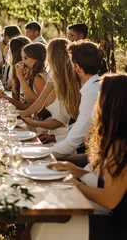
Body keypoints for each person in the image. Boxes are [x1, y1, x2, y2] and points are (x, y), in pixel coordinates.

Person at [30, 74, 127, 240]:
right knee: (41, 219)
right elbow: (106, 178)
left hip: (114, 225)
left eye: (100, 96)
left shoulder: (120, 146)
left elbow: (110, 199)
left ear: (112, 103)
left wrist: (75, 184)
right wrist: (76, 171)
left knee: (46, 225)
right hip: (99, 210)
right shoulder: (115, 136)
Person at [49, 40, 103, 158]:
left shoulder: (91, 94)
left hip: (100, 161)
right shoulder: (95, 86)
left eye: (70, 63)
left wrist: (39, 153)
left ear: (78, 69)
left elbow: (70, 145)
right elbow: (80, 127)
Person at [0, 36, 31, 108]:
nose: (7, 53)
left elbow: (30, 106)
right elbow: (16, 98)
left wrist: (7, 98)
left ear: (14, 53)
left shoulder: (28, 73)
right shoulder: (17, 69)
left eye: (9, 50)